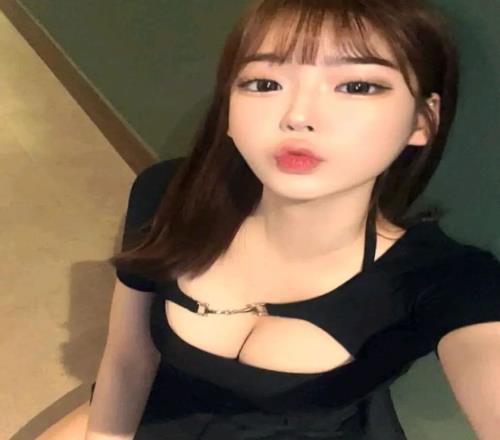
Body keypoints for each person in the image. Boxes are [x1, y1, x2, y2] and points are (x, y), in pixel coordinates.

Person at [39, 0, 500, 439]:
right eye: (263, 83)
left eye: (357, 86)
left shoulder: (446, 280)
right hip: (162, 417)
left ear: (423, 120)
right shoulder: (169, 192)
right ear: (229, 110)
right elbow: (128, 359)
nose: (297, 116)